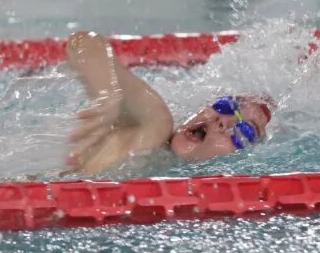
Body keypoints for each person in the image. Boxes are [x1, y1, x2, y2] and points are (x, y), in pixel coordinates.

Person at [65, 31, 273, 175]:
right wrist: (108, 91)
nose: (223, 121)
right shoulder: (155, 127)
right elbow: (82, 42)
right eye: (226, 106)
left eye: (244, 131)